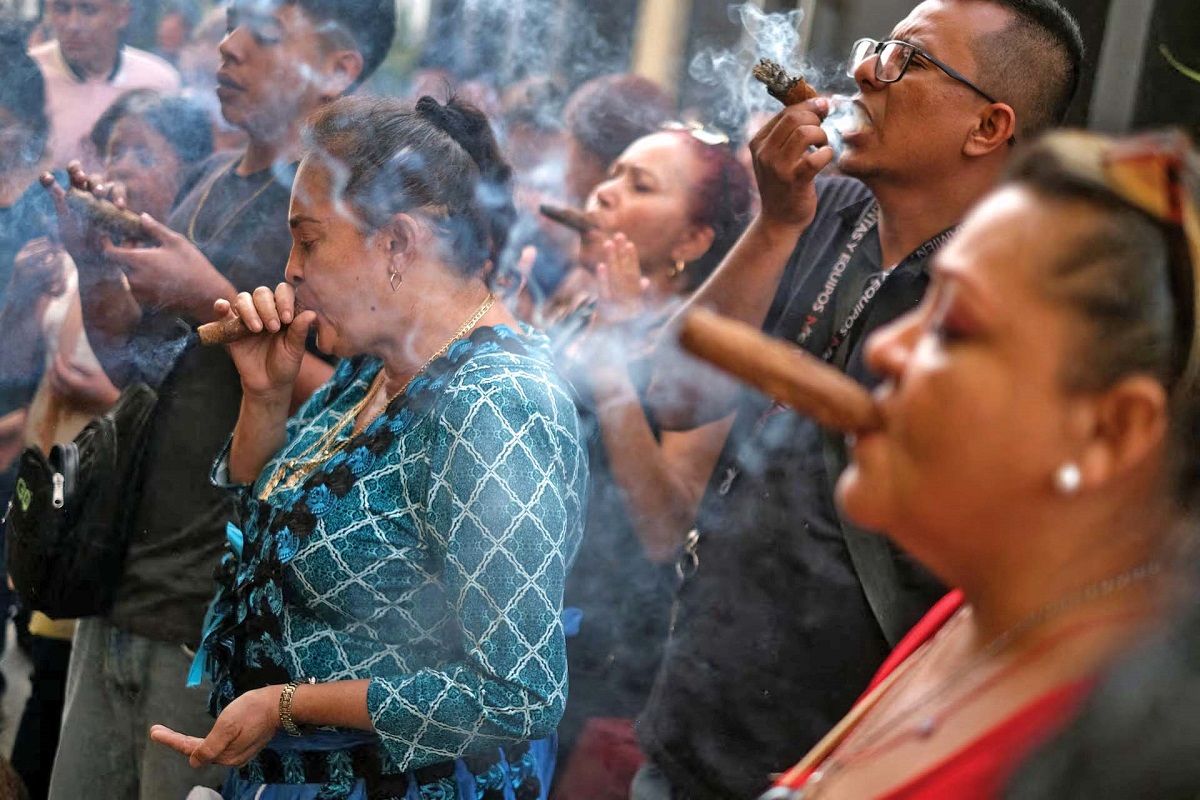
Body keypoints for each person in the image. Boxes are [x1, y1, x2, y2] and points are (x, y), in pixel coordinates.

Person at [632, 1, 1086, 797]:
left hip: (841, 763)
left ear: (987, 128)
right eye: (881, 47)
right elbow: (672, 398)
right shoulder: (823, 208)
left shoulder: (1022, 304)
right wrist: (775, 225)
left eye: (909, 60)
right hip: (688, 729)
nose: (865, 70)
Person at [148, 94, 587, 800]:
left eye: (309, 241)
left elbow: (518, 694)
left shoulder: (495, 405)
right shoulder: (373, 369)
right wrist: (264, 397)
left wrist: (289, 705)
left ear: (398, 245)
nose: (290, 270)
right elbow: (264, 546)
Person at [764, 128, 1195, 799]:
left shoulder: (1132, 760)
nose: (884, 350)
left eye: (953, 326)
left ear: (1111, 430)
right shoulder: (977, 615)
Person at [43, 3, 396, 799]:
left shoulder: (344, 223)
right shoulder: (211, 179)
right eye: (234, 23)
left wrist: (210, 297)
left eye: (263, 32)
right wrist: (94, 261)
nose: (229, 47)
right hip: (125, 582)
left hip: (215, 620)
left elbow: (369, 414)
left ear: (338, 68)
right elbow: (134, 365)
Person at [1, 89, 214, 800]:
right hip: (79, 536)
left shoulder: (188, 267)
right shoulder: (106, 258)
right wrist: (70, 269)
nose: (120, 168)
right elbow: (49, 366)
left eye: (143, 154)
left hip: (155, 578)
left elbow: (151, 382)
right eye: (114, 149)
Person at [551, 124, 752, 798]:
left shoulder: (703, 351)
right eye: (612, 173)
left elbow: (666, 528)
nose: (604, 193)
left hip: (598, 671)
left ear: (692, 243)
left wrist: (613, 363)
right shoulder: (582, 304)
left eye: (640, 186)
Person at [31, 0, 180, 170]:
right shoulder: (29, 75)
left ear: (122, 15)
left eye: (88, 10)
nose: (73, 25)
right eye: (62, 9)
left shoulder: (158, 81)